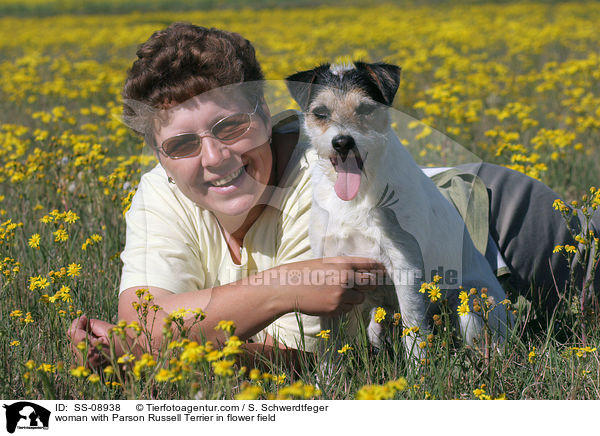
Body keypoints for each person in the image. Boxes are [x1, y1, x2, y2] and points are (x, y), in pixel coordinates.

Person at [68, 22, 599, 368]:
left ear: (267, 114)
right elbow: (142, 320)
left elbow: (311, 357)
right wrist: (142, 342)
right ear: (159, 154)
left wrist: (158, 350)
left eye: (230, 127)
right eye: (182, 144)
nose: (214, 158)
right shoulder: (160, 193)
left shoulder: (318, 182)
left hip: (495, 216)